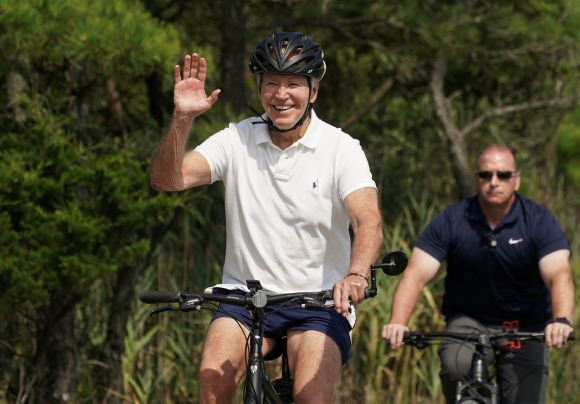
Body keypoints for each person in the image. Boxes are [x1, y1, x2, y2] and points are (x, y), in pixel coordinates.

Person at [150, 32, 383, 404]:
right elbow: (167, 179)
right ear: (260, 88)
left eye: (293, 83)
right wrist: (182, 119)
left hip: (318, 302)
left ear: (314, 91)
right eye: (271, 83)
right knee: (213, 378)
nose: (281, 94)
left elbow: (368, 220)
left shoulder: (341, 148)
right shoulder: (237, 138)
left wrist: (356, 274)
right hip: (245, 297)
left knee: (313, 398)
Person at [382, 144, 574, 404]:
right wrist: (398, 321)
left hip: (525, 326)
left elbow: (559, 274)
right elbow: (415, 274)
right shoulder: (451, 220)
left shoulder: (539, 222)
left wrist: (561, 320)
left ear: (516, 180)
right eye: (486, 175)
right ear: (476, 179)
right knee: (454, 366)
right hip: (468, 320)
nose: (494, 182)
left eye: (503, 175)